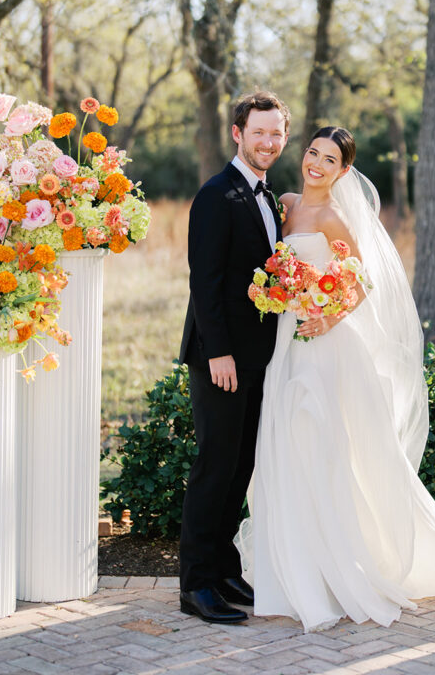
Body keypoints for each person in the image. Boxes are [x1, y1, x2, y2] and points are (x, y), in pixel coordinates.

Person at [237, 127, 435, 632]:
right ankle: (292, 563)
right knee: (285, 447)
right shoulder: (285, 203)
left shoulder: (335, 218)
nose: (315, 163)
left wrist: (325, 318)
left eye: (328, 159)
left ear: (343, 171)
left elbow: (359, 284)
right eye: (312, 152)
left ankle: (335, 569)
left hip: (324, 346)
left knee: (321, 446)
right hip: (286, 341)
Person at [179, 91, 290, 624]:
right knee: (215, 466)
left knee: (240, 466)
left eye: (276, 133)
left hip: (258, 358)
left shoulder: (267, 197)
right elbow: (205, 283)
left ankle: (224, 570)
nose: (268, 142)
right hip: (220, 360)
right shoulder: (216, 195)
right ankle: (195, 584)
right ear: (237, 133)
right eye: (259, 132)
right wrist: (218, 353)